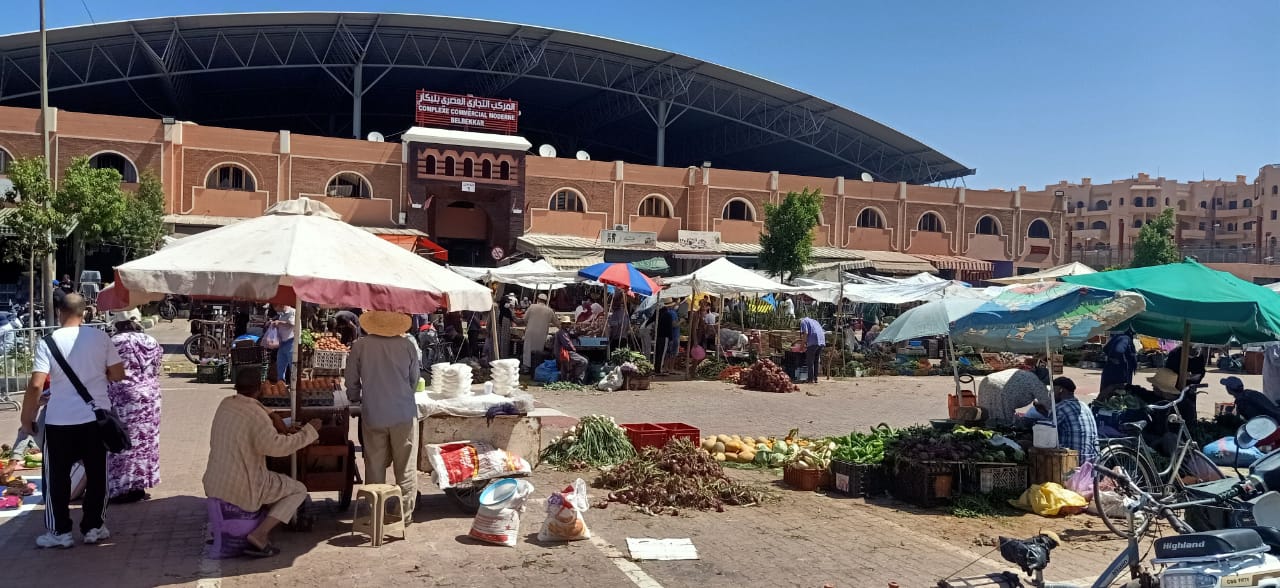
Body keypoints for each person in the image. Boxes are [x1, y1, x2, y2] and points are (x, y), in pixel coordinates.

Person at [20, 293, 125, 548]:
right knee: (97, 474)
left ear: (60, 312)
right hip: (95, 419)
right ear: (84, 313)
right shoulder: (101, 338)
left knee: (57, 477)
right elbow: (118, 373)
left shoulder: (48, 342)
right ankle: (94, 527)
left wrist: (27, 419)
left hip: (60, 421)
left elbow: (36, 385)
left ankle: (59, 532)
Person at [204, 368, 321, 558]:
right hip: (242, 485)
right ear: (260, 389)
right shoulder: (256, 416)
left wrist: (272, 415)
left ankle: (231, 529)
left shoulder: (225, 404)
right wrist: (309, 432)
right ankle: (260, 535)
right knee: (298, 489)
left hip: (215, 482)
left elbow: (255, 410)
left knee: (273, 481)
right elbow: (277, 448)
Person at [345, 311, 421, 517]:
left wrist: (355, 397)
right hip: (403, 414)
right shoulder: (407, 345)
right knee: (405, 467)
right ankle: (402, 515)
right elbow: (414, 380)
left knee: (374, 466)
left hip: (374, 413)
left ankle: (375, 512)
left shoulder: (361, 345)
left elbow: (351, 379)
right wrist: (404, 395)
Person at [105, 310, 164, 504]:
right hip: (151, 397)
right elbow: (157, 366)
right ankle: (140, 486)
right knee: (146, 443)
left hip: (125, 397)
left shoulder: (115, 342)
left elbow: (106, 369)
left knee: (123, 442)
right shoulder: (151, 341)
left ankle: (123, 489)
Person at [1042, 377, 1099, 463]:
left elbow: (1045, 435)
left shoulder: (1060, 407)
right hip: (1091, 461)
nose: (1051, 394)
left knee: (1033, 446)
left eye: (1053, 390)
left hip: (1072, 461)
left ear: (1061, 390)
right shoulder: (1084, 406)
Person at [1099, 327, 1138, 398]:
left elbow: (1105, 349)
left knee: (1106, 395)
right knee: (1117, 397)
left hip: (1109, 372)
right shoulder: (1125, 338)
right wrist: (1118, 360)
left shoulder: (1117, 338)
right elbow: (1118, 350)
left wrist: (1112, 359)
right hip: (1119, 375)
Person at [522, 294, 556, 370]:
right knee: (538, 350)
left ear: (538, 299)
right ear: (546, 301)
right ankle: (536, 366)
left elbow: (524, 319)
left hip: (530, 331)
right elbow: (556, 322)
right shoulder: (549, 310)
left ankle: (526, 367)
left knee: (528, 349)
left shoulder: (532, 307)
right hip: (542, 333)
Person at [554, 316, 588, 384]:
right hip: (564, 353)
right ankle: (577, 380)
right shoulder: (562, 333)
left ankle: (569, 380)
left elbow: (572, 334)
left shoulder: (565, 331)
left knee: (566, 369)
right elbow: (567, 344)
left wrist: (579, 333)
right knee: (584, 361)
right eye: (565, 323)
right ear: (562, 324)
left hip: (562, 353)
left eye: (568, 323)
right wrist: (574, 350)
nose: (567, 325)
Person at [271, 304, 296, 381]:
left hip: (291, 342)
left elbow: (292, 323)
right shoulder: (281, 314)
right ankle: (281, 382)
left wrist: (279, 322)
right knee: (280, 364)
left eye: (275, 306)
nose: (275, 309)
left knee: (292, 365)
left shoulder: (293, 311)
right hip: (282, 343)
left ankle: (294, 385)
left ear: (281, 305)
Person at [798, 315, 825, 383]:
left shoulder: (803, 321)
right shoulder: (814, 321)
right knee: (816, 361)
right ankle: (815, 378)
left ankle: (810, 379)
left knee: (810, 361)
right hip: (821, 340)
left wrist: (802, 345)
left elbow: (806, 333)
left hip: (813, 341)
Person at [654, 300, 678, 375]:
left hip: (658, 336)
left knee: (658, 352)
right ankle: (659, 369)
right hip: (664, 336)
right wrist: (671, 338)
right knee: (662, 353)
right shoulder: (668, 315)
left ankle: (657, 368)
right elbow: (669, 328)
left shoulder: (659, 314)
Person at [496, 294, 516, 359]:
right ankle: (499, 355)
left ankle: (504, 356)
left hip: (506, 333)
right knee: (500, 343)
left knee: (505, 344)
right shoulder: (498, 312)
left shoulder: (508, 312)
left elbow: (513, 318)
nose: (508, 304)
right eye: (506, 302)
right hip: (500, 332)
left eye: (508, 302)